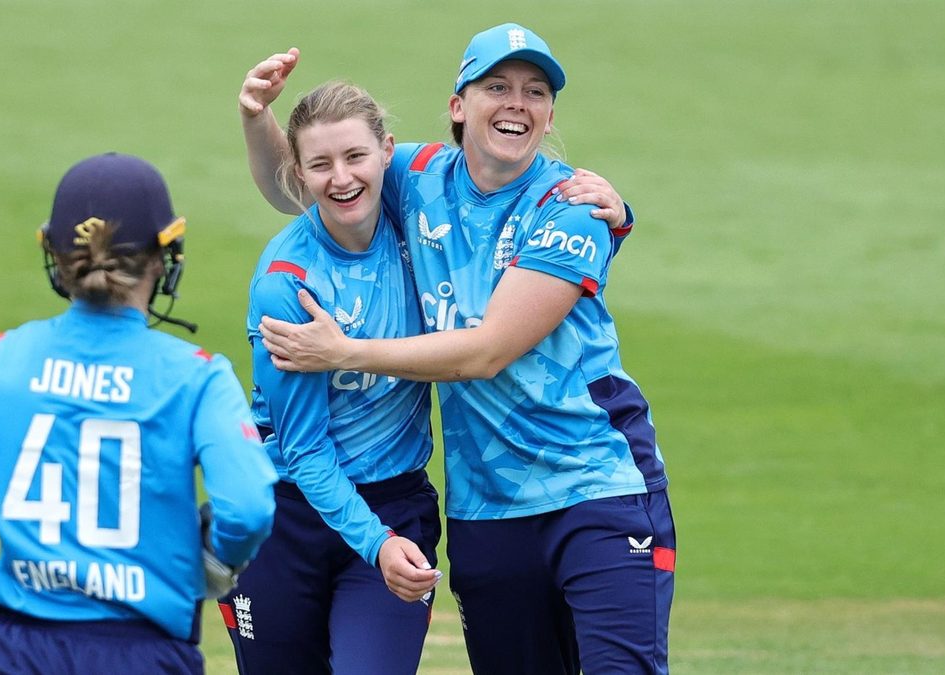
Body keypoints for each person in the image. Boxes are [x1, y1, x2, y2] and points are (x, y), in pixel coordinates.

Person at [244, 24, 675, 675]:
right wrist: (256, 116)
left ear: (550, 113)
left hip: (595, 484)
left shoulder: (571, 206)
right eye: (496, 86)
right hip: (486, 506)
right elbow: (306, 187)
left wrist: (345, 351)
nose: (515, 103)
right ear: (458, 105)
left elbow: (486, 351)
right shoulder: (413, 175)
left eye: (535, 91)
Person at [0, 152, 277, 675]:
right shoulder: (196, 377)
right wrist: (218, 559)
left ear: (56, 256)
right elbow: (248, 509)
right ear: (163, 257)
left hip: (12, 653)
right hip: (144, 653)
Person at [218, 81, 442, 675]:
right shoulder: (286, 284)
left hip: (395, 502)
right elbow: (306, 451)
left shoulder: (418, 225)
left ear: (387, 151)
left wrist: (604, 208)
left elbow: (493, 172)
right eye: (320, 165)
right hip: (284, 520)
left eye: (355, 157)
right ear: (299, 172)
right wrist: (378, 543)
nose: (341, 179)